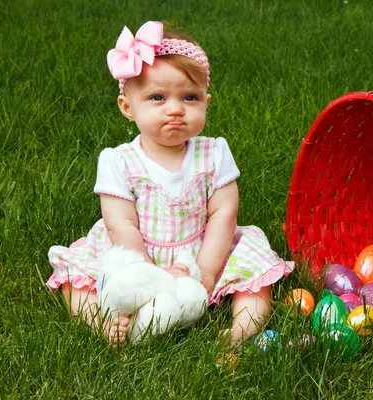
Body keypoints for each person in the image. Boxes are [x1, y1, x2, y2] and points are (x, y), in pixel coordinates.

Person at [46, 21, 294, 346]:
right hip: (135, 250)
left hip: (203, 247)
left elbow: (223, 213)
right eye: (157, 97)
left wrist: (204, 274)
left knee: (254, 270)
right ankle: (101, 320)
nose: (175, 109)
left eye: (189, 97)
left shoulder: (214, 153)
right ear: (127, 108)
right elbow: (120, 223)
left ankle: (239, 331)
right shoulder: (119, 161)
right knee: (76, 278)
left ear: (206, 101)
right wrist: (148, 274)